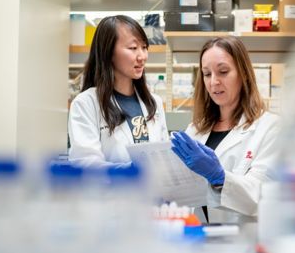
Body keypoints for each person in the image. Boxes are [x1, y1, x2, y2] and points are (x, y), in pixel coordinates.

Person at [171, 36, 280, 224]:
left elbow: (262, 195)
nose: (214, 82)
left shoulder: (270, 127)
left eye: (223, 71)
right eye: (206, 74)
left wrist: (219, 177)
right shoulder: (195, 130)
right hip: (197, 239)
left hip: (243, 241)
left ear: (244, 73)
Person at [68, 15, 169, 167]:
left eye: (144, 47)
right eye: (133, 48)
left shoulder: (154, 102)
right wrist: (131, 171)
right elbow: (86, 165)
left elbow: (164, 158)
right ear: (108, 52)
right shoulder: (86, 104)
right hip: (111, 191)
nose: (142, 56)